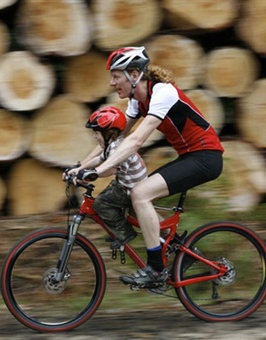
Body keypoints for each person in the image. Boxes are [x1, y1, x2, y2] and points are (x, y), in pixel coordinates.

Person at [75, 46, 224, 287]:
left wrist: (99, 171)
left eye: (116, 76)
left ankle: (156, 269)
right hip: (189, 157)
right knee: (137, 199)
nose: (112, 83)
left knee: (140, 194)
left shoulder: (163, 92)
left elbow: (135, 140)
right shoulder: (137, 100)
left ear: (135, 75)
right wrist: (79, 167)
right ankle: (181, 250)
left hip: (206, 157)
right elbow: (113, 140)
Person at [66, 106, 147, 250]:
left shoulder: (117, 148)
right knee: (104, 196)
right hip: (124, 185)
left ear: (109, 133)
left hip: (132, 190)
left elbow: (111, 169)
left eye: (96, 133)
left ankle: (125, 233)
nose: (94, 136)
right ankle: (119, 229)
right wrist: (79, 169)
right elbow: (98, 159)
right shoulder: (113, 145)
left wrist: (90, 175)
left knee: (101, 204)